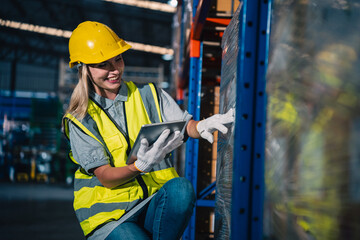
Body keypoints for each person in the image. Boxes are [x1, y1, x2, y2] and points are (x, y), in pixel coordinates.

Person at [62, 21, 234, 240]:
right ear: (84, 68)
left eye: (118, 59)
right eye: (103, 64)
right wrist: (139, 166)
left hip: (153, 203)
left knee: (181, 188)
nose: (115, 70)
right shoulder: (80, 119)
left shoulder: (149, 95)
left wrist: (201, 125)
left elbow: (185, 126)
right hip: (110, 218)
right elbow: (105, 176)